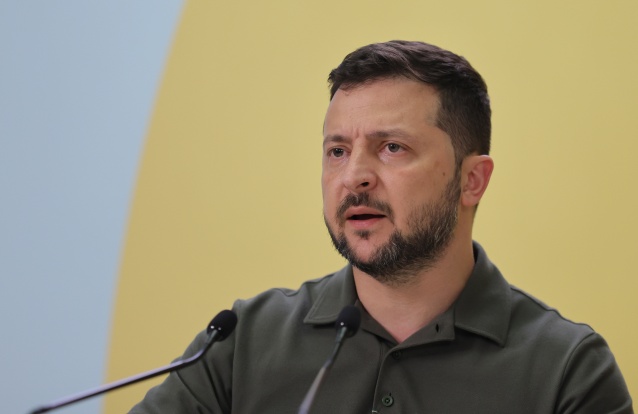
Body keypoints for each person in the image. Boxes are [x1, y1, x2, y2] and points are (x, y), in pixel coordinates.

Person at [130, 41, 632, 413]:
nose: (354, 176)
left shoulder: (567, 369)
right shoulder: (245, 340)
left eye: (392, 147)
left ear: (472, 180)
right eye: (337, 151)